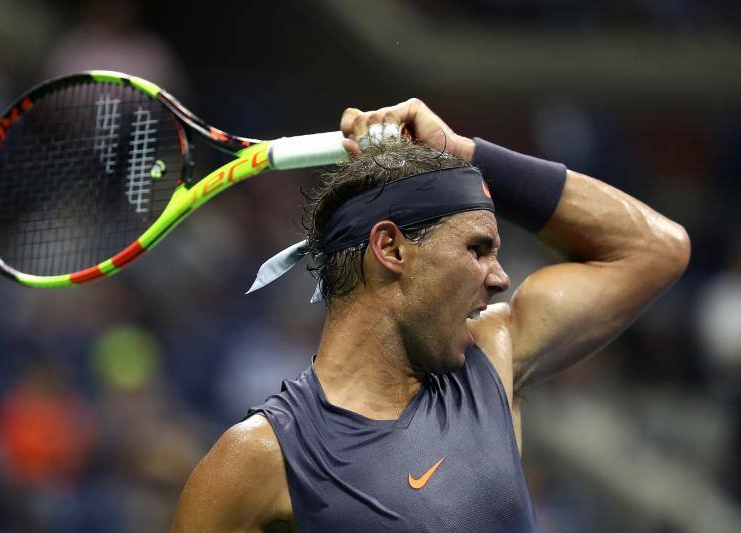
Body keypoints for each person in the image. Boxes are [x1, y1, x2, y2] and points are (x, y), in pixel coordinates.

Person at [170, 99, 690, 532]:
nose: (500, 277)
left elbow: (656, 249)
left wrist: (464, 153)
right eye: (477, 248)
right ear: (391, 249)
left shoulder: (492, 355)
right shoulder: (257, 459)